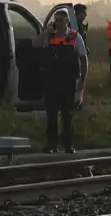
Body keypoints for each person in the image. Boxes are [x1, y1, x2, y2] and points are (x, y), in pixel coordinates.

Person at [33, 9, 88, 153]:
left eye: (61, 20)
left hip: (68, 81)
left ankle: (68, 145)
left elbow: (83, 58)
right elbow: (35, 44)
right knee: (51, 114)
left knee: (67, 115)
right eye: (56, 20)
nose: (59, 23)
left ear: (67, 21)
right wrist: (46, 32)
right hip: (52, 81)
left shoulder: (75, 37)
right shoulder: (49, 36)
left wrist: (82, 80)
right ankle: (51, 145)